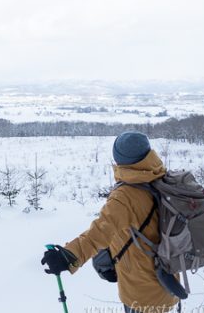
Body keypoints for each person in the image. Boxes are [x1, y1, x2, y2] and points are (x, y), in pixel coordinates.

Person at [40, 131, 180, 313]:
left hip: (143, 292)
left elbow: (99, 232)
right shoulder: (161, 177)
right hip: (169, 283)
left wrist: (67, 257)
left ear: (120, 159)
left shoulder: (125, 196)